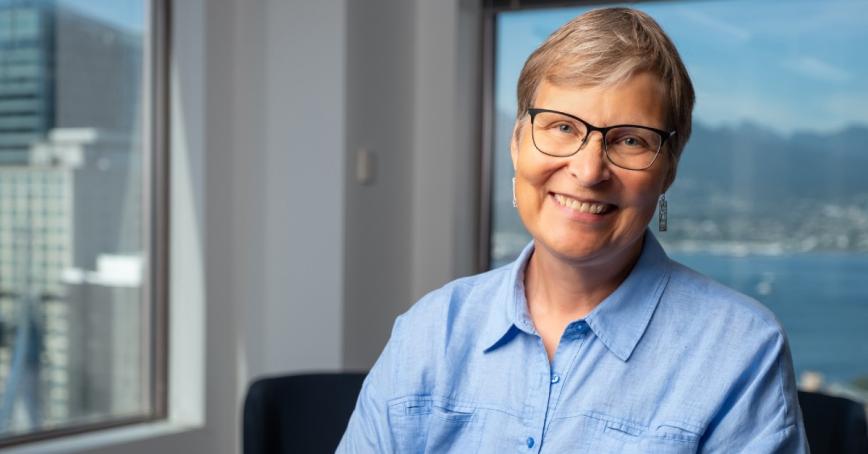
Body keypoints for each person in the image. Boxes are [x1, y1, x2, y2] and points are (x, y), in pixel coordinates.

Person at [338, 7, 808, 453]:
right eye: (562, 127)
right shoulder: (428, 332)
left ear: (668, 171)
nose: (588, 171)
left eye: (630, 140)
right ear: (517, 144)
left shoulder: (739, 350)